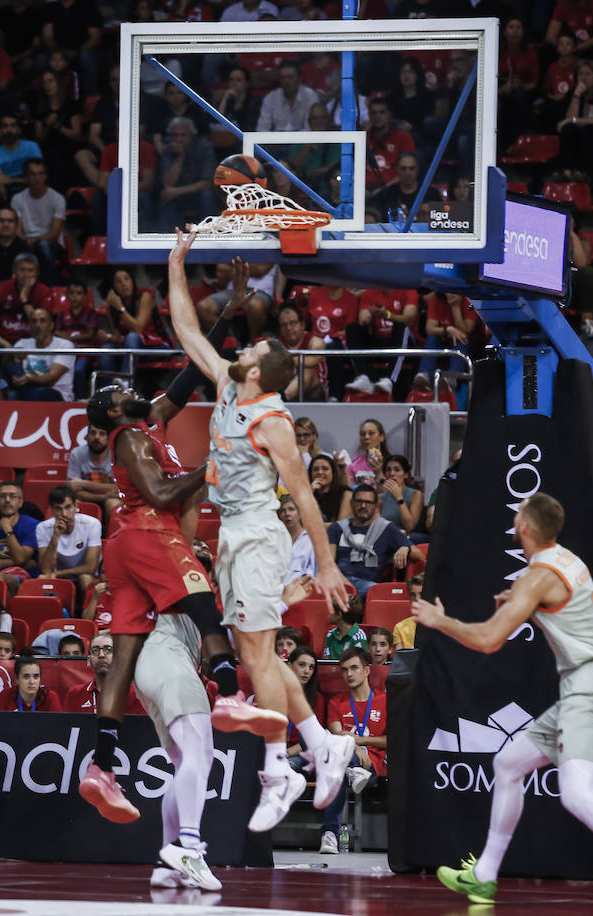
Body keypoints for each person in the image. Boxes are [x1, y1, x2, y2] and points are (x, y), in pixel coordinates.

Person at [165, 231, 357, 832]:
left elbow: (303, 495)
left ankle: (280, 771)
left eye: (252, 346)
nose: (244, 345)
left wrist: (326, 563)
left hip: (256, 535)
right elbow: (187, 331)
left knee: (255, 657)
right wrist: (176, 261)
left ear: (258, 370)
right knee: (263, 658)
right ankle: (322, 744)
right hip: (233, 534)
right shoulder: (228, 383)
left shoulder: (273, 421)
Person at [76, 280, 284, 824]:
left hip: (125, 545)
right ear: (113, 412)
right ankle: (230, 693)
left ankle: (101, 766)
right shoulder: (130, 438)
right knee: (203, 604)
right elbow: (162, 495)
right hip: (149, 532)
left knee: (123, 656)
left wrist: (227, 316)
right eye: (120, 391)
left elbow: (190, 375)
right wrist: (212, 465)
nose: (131, 389)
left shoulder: (149, 421)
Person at [419, 492, 593, 915]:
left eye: (519, 512)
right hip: (590, 684)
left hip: (589, 687)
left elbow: (488, 640)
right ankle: (484, 874)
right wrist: (526, 605)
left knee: (575, 794)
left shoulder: (538, 575)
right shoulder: (565, 560)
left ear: (523, 526)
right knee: (507, 764)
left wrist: (440, 621)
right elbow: (564, 610)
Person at [136, 605, 223, 890]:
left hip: (148, 665)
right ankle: (189, 847)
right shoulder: (192, 588)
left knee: (184, 762)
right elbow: (234, 635)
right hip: (171, 659)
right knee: (199, 754)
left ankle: (167, 865)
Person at [319, 646, 386, 854]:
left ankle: (329, 834)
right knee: (339, 764)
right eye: (344, 670)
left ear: (367, 670)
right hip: (348, 761)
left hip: (371, 768)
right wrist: (356, 748)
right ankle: (352, 769)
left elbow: (391, 740)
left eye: (354, 668)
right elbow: (336, 733)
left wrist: (358, 739)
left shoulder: (385, 700)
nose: (349, 674)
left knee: (337, 766)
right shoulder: (336, 702)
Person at [328, 484, 413, 595]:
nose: (363, 506)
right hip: (339, 582)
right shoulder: (337, 528)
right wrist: (345, 584)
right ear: (351, 503)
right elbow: (329, 563)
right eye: (359, 501)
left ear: (376, 506)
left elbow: (419, 555)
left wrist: (405, 547)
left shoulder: (386, 528)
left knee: (384, 593)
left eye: (368, 502)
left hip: (369, 586)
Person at [0, 481, 40, 594]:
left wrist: (8, 530)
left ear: (20, 502)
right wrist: (13, 562)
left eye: (12, 496)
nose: (7, 500)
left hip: (22, 578)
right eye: (3, 496)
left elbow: (20, 558)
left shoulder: (33, 525)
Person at [36, 486, 102, 598]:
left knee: (85, 578)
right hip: (59, 579)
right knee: (41, 579)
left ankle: (89, 609)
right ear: (51, 510)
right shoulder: (42, 528)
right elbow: (46, 570)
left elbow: (91, 567)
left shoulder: (92, 524)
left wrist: (58, 574)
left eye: (68, 507)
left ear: (76, 506)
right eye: (58, 509)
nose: (64, 514)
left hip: (82, 575)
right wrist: (55, 536)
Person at [9, 158, 66, 284]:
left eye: (41, 174)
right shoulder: (17, 199)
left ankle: (49, 287)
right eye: (33, 174)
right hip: (26, 242)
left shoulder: (57, 199)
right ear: (26, 177)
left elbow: (54, 234)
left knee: (44, 246)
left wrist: (36, 240)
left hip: (51, 244)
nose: (37, 178)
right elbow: (18, 231)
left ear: (46, 176)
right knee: (14, 245)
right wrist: (26, 241)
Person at [9, 307, 76, 401]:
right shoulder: (22, 344)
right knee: (12, 392)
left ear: (51, 326)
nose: (38, 325)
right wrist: (17, 378)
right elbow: (17, 371)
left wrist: (29, 379)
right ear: (30, 326)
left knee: (39, 394)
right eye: (34, 321)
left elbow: (51, 379)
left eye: (42, 321)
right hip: (28, 389)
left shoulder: (65, 346)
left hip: (57, 393)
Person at [67, 426, 121, 515]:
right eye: (92, 433)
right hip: (86, 498)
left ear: (109, 438)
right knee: (72, 502)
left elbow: (117, 489)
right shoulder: (77, 453)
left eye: (102, 434)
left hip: (109, 498)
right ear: (87, 436)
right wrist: (103, 496)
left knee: (113, 503)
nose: (97, 437)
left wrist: (83, 484)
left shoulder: (117, 456)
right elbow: (73, 490)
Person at [379, 455, 424, 536]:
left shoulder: (416, 495)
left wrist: (399, 497)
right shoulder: (381, 498)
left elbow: (410, 526)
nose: (392, 473)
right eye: (388, 470)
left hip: (405, 537)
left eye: (397, 470)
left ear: (406, 474)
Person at [308, 453, 352, 524]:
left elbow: (340, 526)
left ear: (333, 472)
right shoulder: (306, 494)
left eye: (325, 469)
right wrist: (309, 494)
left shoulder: (345, 493)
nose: (320, 472)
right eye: (315, 469)